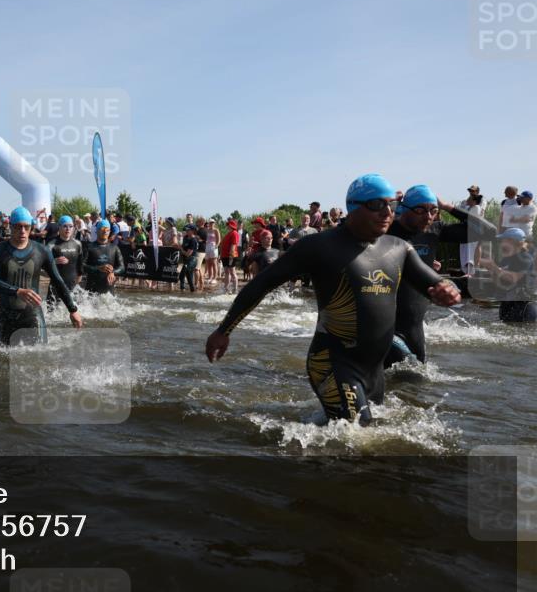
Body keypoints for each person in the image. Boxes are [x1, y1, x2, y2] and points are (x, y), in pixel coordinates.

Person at [205, 175, 461, 425]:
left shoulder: (398, 248)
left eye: (390, 205)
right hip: (333, 362)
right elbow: (261, 284)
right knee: (359, 436)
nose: (386, 212)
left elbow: (432, 281)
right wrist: (224, 330)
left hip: (374, 370)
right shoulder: (319, 246)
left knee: (359, 437)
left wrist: (445, 289)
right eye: (376, 205)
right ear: (353, 207)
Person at [384, 184, 497, 367]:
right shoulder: (386, 230)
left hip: (414, 327)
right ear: (405, 209)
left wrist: (448, 207)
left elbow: (489, 231)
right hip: (384, 326)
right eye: (421, 210)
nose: (428, 216)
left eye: (433, 210)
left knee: (416, 383)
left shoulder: (434, 230)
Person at [0, 206, 82, 345]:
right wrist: (18, 291)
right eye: (18, 227)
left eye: (27, 227)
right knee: (1, 359)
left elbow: (57, 280)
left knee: (40, 358)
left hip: (33, 316)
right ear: (11, 227)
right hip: (6, 318)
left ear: (31, 227)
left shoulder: (41, 251)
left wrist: (73, 310)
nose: (23, 231)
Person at [479, 227, 536, 323]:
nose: (501, 243)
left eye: (503, 240)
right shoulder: (505, 259)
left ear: (513, 241)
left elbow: (513, 279)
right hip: (507, 303)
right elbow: (500, 283)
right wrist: (492, 271)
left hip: (524, 306)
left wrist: (493, 267)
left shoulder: (526, 258)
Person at [46, 215, 85, 306]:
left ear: (73, 228)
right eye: (65, 226)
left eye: (70, 226)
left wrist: (80, 275)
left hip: (73, 285)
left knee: (76, 312)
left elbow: (80, 264)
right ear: (59, 227)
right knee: (52, 316)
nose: (68, 229)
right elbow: (42, 264)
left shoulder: (77, 244)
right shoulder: (52, 244)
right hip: (56, 286)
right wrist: (53, 261)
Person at [83, 219, 126, 295]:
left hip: (109, 294)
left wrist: (113, 272)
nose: (105, 231)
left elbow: (122, 267)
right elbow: (81, 266)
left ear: (110, 231)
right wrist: (98, 268)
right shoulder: (89, 247)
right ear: (97, 231)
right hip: (91, 293)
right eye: (103, 229)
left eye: (107, 229)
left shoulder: (114, 248)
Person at [218, 219, 240, 294]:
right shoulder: (229, 233)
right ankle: (226, 288)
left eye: (228, 225)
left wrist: (231, 255)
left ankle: (235, 288)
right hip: (225, 255)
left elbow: (234, 244)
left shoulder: (234, 233)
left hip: (231, 255)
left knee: (232, 272)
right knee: (226, 272)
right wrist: (220, 255)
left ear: (231, 226)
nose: (227, 226)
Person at [178, 224, 199, 292]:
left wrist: (181, 249)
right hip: (186, 259)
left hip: (192, 259)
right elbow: (183, 247)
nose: (186, 231)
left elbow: (188, 254)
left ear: (193, 231)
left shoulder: (193, 240)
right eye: (186, 229)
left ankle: (191, 289)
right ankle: (184, 289)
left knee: (185, 272)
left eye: (188, 230)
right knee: (185, 274)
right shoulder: (185, 237)